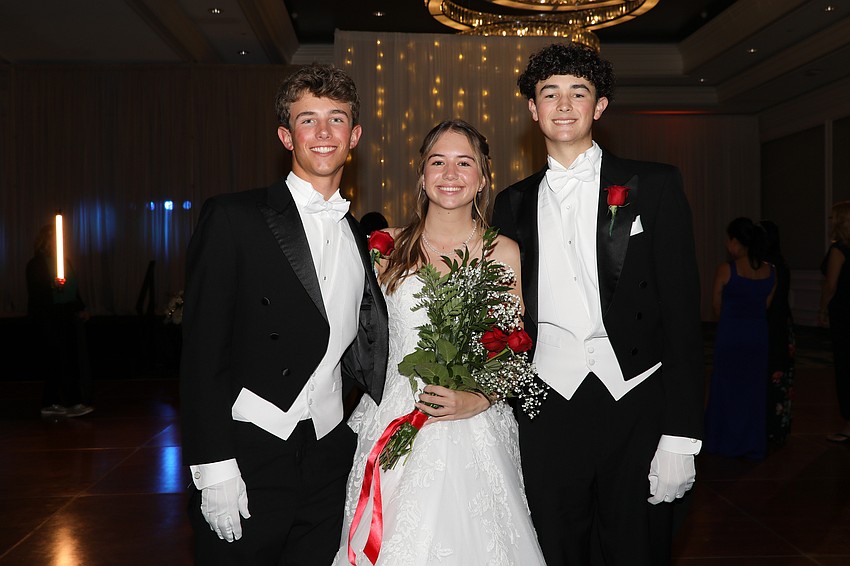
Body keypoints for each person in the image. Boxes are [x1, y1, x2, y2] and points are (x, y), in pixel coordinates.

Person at [491, 43, 704, 566]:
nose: (564, 105)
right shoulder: (511, 202)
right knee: (553, 546)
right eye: (550, 94)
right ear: (532, 109)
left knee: (637, 548)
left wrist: (682, 435)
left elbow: (682, 316)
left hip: (635, 396)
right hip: (545, 402)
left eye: (578, 93)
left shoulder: (654, 185)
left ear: (600, 106)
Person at [180, 63, 388, 565]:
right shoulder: (233, 217)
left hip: (328, 455)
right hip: (249, 450)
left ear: (355, 136)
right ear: (286, 136)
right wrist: (214, 466)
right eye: (307, 119)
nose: (324, 132)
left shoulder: (358, 235)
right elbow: (201, 354)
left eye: (337, 119)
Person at [334, 120, 546, 565]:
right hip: (393, 415)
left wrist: (479, 398)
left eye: (464, 163)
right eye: (438, 162)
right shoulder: (386, 248)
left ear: (483, 177)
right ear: (422, 174)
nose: (450, 174)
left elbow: (514, 346)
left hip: (476, 426)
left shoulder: (504, 251)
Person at [704, 217, 776, 460]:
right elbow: (766, 305)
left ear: (736, 242)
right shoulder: (771, 271)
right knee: (753, 391)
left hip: (731, 335)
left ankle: (722, 441)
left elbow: (716, 306)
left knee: (726, 387)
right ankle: (751, 442)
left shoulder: (727, 269)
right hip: (757, 336)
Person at [26, 223, 94, 418]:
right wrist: (53, 286)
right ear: (45, 241)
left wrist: (81, 308)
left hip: (66, 316)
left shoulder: (64, 262)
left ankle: (72, 401)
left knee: (69, 359)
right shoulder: (36, 264)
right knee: (55, 359)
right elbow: (38, 294)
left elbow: (72, 288)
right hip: (48, 318)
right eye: (53, 239)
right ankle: (52, 402)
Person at [760, 219, 795, 446]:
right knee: (778, 378)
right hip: (781, 321)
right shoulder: (779, 262)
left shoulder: (768, 266)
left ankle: (771, 427)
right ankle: (777, 427)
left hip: (774, 322)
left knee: (774, 373)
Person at [819, 201, 850, 443]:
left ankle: (849, 425)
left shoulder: (839, 249)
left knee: (845, 366)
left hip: (844, 314)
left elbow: (831, 285)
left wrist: (822, 310)